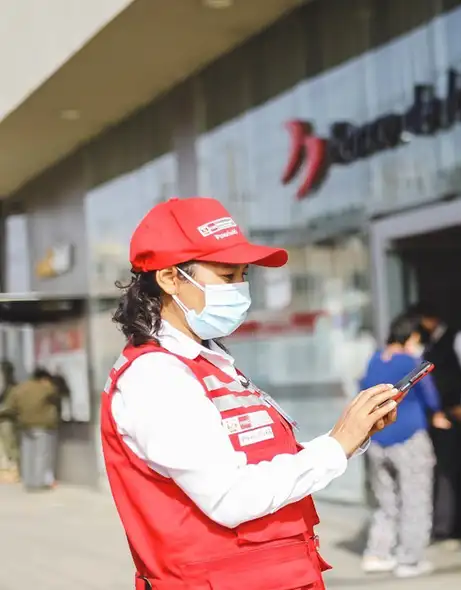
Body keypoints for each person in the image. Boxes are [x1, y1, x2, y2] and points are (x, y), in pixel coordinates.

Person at [101, 197, 400, 590]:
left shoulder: (207, 360)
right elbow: (230, 497)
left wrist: (350, 436)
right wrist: (336, 446)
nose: (240, 289)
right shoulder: (156, 376)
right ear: (170, 279)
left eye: (244, 275)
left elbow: (261, 461)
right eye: (227, 276)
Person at [359, 313, 451, 578]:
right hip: (409, 437)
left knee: (385, 501)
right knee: (415, 499)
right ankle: (409, 559)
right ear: (412, 337)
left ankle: (378, 553)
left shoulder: (375, 359)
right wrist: (438, 413)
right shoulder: (410, 362)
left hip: (377, 439)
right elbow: (430, 395)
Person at [409, 302, 461, 544]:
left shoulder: (459, 338)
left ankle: (454, 524)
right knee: (444, 468)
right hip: (438, 416)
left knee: (453, 470)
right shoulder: (427, 344)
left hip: (456, 414)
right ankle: (447, 523)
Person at [0, 368, 61, 491]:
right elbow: (60, 392)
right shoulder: (46, 388)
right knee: (42, 454)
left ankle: (29, 481)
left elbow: (11, 405)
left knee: (28, 454)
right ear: (44, 379)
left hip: (25, 425)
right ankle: (39, 483)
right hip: (43, 425)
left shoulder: (20, 388)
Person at [0, 360, 19, 480]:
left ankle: (13, 471)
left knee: (10, 446)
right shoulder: (7, 387)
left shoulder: (13, 388)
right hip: (3, 420)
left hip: (8, 420)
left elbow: (13, 406)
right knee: (4, 446)